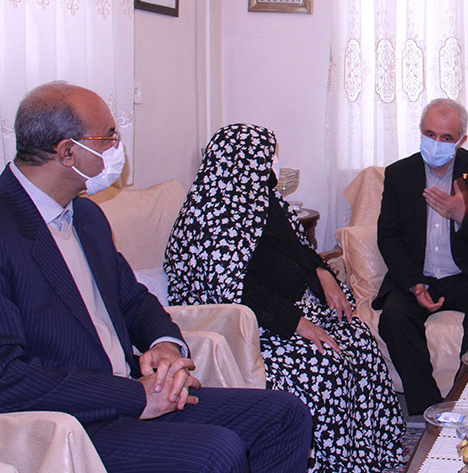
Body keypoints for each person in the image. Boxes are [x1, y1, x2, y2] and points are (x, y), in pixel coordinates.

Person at [0, 82, 311, 473]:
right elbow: (8, 378)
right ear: (67, 152)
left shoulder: (87, 216)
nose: (117, 147)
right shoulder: (7, 227)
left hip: (130, 390)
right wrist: (134, 397)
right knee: (219, 451)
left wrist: (164, 344)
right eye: (108, 137)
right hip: (69, 424)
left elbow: (133, 300)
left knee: (284, 415)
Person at [164, 124, 405, 473]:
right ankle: (325, 464)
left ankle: (368, 454)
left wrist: (322, 273)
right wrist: (298, 324)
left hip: (286, 312)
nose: (274, 162)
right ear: (242, 161)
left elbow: (300, 248)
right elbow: (233, 292)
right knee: (326, 363)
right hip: (247, 328)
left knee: (359, 339)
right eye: (269, 155)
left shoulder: (264, 201)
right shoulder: (212, 219)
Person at [375, 98, 468, 415]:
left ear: (461, 140)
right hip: (418, 276)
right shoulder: (399, 174)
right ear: (420, 132)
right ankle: (428, 408)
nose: (436, 143)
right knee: (394, 318)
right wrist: (413, 283)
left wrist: (463, 215)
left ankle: (467, 398)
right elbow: (389, 236)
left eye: (446, 137)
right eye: (430, 134)